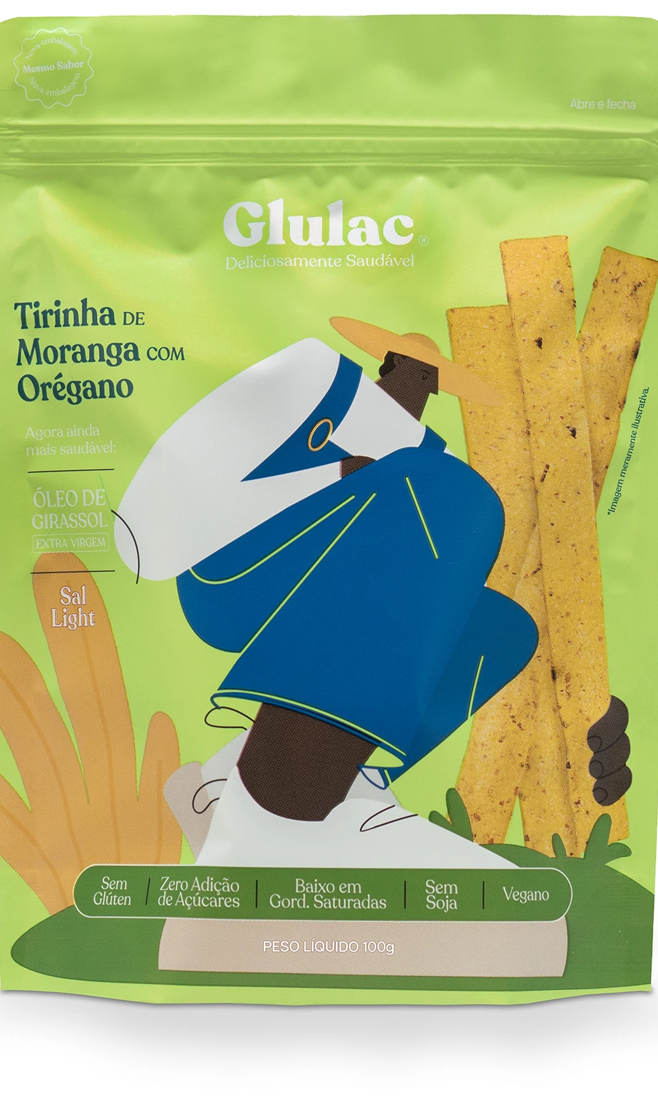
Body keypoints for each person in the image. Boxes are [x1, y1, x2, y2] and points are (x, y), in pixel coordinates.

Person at [116, 319, 538, 866]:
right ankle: (273, 808)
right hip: (229, 569)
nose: (418, 385)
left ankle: (325, 782)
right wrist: (333, 475)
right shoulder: (317, 382)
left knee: (499, 628)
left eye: (428, 379)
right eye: (413, 370)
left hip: (327, 580)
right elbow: (197, 492)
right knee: (447, 492)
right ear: (388, 362)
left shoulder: (416, 445)